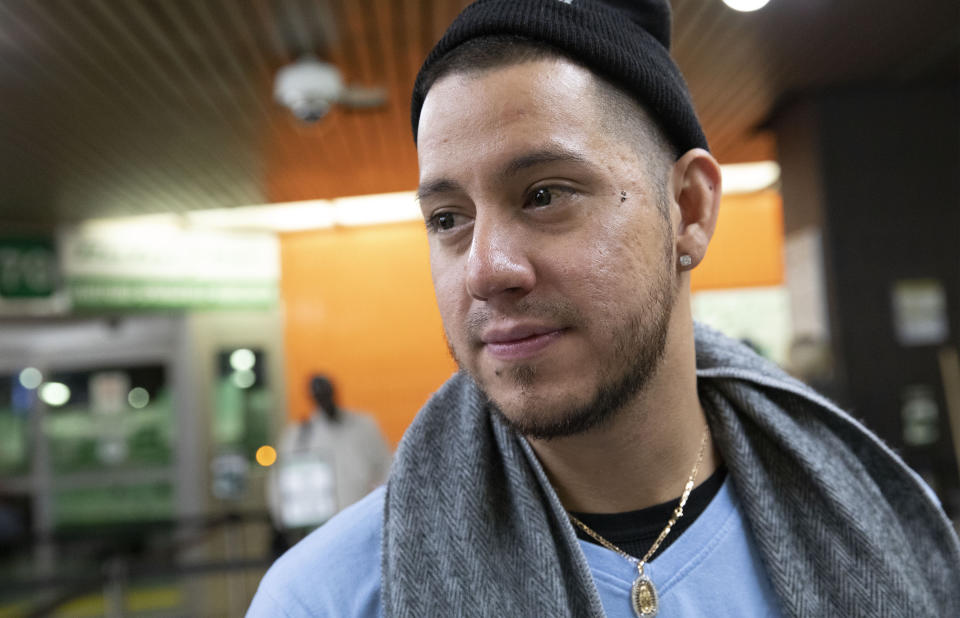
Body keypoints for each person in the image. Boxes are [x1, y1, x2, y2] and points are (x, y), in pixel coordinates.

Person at [249, 1, 960, 616]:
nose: (487, 270)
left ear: (688, 209)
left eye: (545, 194)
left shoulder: (882, 529)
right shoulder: (332, 599)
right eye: (447, 219)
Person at [266, 375, 390, 552]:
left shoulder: (364, 426)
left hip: (361, 521)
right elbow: (281, 480)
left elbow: (386, 466)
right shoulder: (300, 435)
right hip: (318, 528)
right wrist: (283, 519)